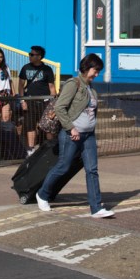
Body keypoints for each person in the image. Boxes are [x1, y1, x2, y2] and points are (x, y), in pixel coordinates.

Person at [36, 53, 113, 219]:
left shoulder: (91, 90)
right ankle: (42, 194)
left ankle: (96, 208)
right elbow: (60, 107)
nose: (97, 74)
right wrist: (71, 128)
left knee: (92, 170)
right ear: (86, 68)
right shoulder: (74, 84)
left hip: (88, 135)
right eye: (95, 70)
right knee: (63, 166)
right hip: (72, 134)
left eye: (99, 71)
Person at [18, 45, 57, 156]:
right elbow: (21, 86)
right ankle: (30, 150)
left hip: (44, 102)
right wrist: (22, 101)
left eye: (32, 54)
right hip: (29, 101)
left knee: (46, 125)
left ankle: (48, 149)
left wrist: (52, 105)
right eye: (29, 54)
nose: (29, 56)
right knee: (30, 125)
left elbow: (52, 88)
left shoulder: (47, 69)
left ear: (39, 57)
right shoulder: (25, 68)